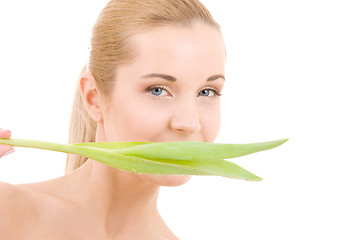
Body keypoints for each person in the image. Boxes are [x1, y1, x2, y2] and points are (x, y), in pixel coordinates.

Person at [0, 0, 225, 239]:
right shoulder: (8, 213)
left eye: (206, 92)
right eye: (158, 90)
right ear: (94, 98)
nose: (190, 123)